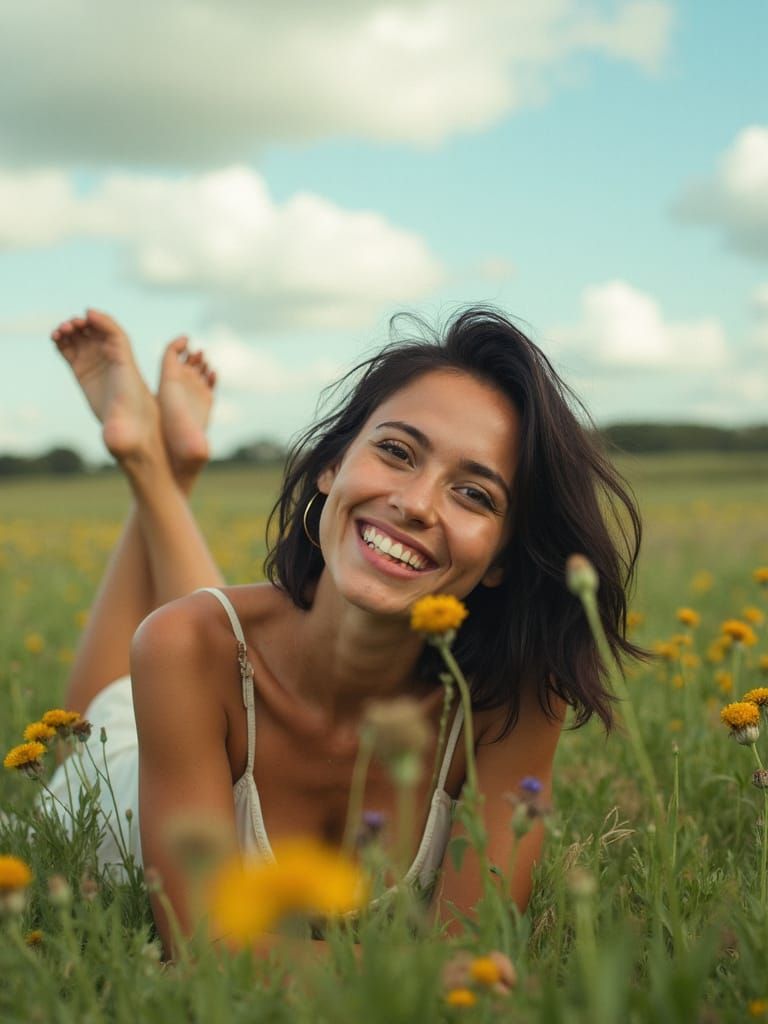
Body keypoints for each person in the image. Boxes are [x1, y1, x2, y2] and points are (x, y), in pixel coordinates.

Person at [46, 306, 640, 954]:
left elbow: (471, 960)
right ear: (331, 464)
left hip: (211, 678)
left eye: (474, 494)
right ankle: (150, 467)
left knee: (206, 633)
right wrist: (409, 973)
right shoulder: (181, 648)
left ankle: (157, 468)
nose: (415, 503)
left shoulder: (512, 702)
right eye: (395, 451)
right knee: (120, 696)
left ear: (501, 557)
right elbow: (209, 956)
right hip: (119, 759)